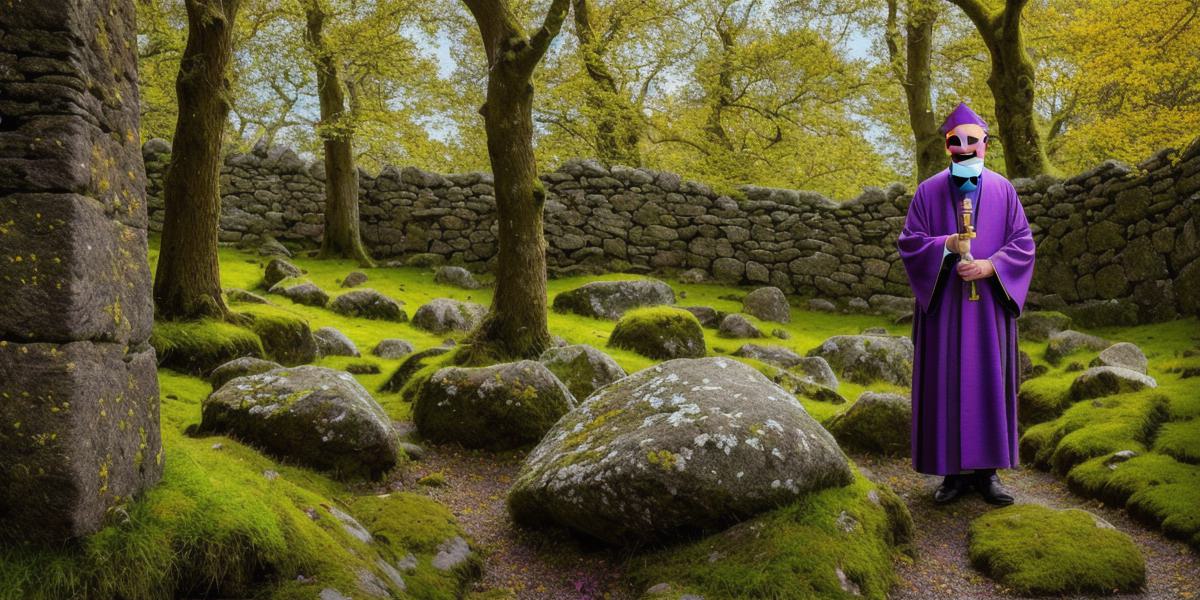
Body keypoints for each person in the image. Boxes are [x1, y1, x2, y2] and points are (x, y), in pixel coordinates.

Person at [897, 102, 1036, 505]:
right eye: (954, 141)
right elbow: (910, 243)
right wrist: (946, 246)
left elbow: (1023, 244)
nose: (963, 147)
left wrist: (992, 267)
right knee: (946, 381)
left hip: (989, 309)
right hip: (945, 312)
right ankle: (952, 475)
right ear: (946, 147)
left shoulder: (1004, 190)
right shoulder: (927, 192)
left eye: (971, 141)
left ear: (985, 146)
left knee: (988, 382)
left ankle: (988, 474)